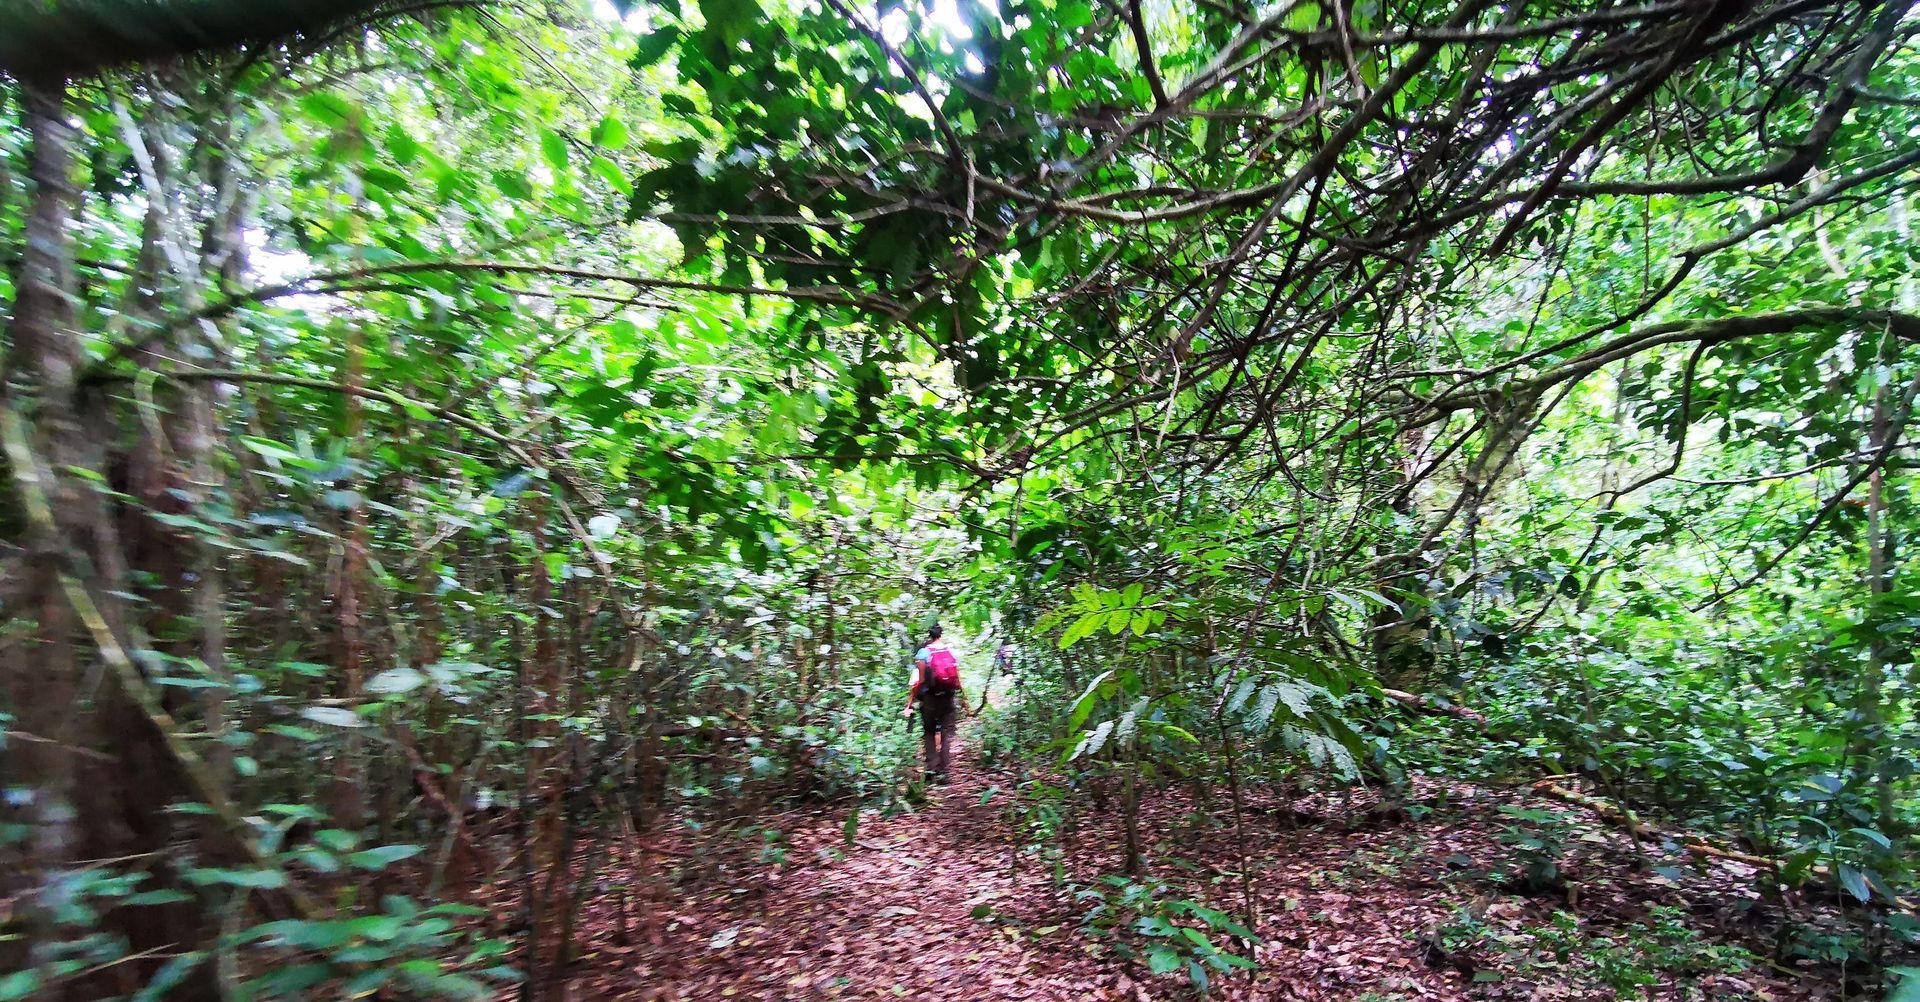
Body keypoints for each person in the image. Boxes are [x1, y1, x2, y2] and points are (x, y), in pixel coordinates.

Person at [903, 624, 963, 782]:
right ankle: (944, 773)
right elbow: (957, 677)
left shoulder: (923, 652)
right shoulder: (950, 651)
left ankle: (931, 770)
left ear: (929, 636)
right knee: (945, 734)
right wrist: (964, 699)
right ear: (940, 635)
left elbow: (919, 680)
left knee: (929, 732)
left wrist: (911, 701)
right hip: (948, 698)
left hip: (930, 699)